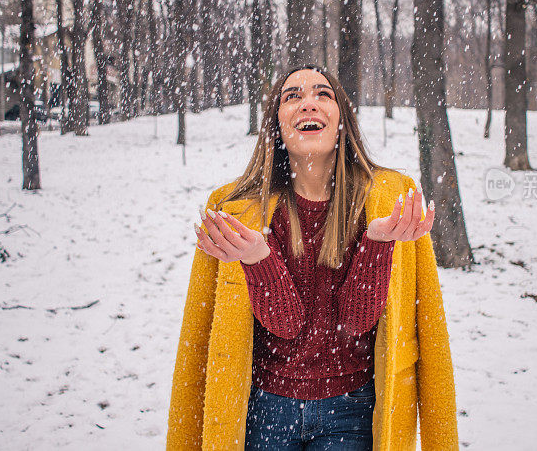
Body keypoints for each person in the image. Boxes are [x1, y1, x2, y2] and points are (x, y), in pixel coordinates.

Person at [166, 66, 458, 450]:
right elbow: (282, 326)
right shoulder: (236, 211)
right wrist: (258, 258)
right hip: (262, 411)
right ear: (276, 124)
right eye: (292, 97)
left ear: (342, 118)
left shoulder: (389, 200)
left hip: (352, 412)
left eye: (323, 94)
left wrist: (376, 242)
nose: (308, 104)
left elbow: (358, 321)